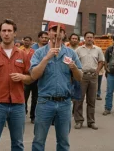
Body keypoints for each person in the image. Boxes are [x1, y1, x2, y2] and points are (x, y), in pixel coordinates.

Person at [30, 22, 82, 150]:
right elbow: (33, 75)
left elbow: (80, 77)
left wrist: (74, 68)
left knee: (63, 142)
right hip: (44, 102)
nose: (57, 33)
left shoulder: (70, 53)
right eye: (53, 30)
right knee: (39, 140)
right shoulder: (39, 53)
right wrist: (46, 58)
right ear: (48, 33)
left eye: (60, 31)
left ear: (64, 34)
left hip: (64, 103)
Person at [0, 19, 33, 150]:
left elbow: (30, 78)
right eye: (4, 31)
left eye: (9, 31)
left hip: (18, 105)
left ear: (15, 33)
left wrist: (22, 77)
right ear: (0, 33)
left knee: (18, 144)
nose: (6, 34)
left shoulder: (22, 54)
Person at [74, 31, 104, 130]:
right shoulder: (78, 50)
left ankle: (91, 122)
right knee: (79, 99)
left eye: (91, 37)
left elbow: (101, 61)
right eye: (87, 37)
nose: (89, 39)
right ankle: (79, 121)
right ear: (84, 38)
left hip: (93, 76)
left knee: (91, 100)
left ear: (93, 38)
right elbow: (73, 61)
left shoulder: (98, 49)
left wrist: (97, 70)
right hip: (82, 76)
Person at [21, 36, 36, 123]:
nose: (26, 42)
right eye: (25, 40)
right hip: (24, 77)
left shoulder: (34, 52)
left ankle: (33, 116)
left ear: (31, 42)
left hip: (34, 77)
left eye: (28, 41)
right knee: (24, 98)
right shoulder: (19, 51)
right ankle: (23, 114)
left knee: (35, 98)